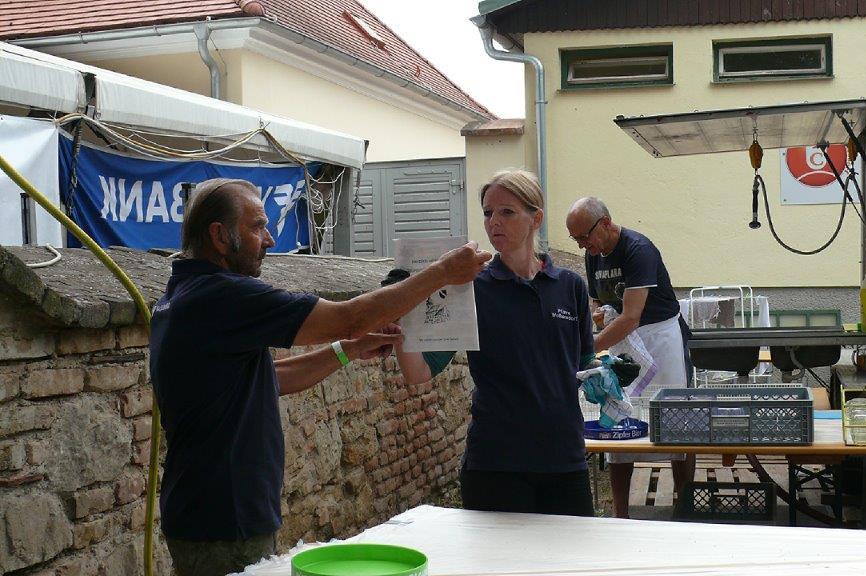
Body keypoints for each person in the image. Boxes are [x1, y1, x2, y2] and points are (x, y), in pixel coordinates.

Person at [149, 178, 490, 576]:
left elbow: (268, 379)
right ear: (220, 236)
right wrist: (443, 272)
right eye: (257, 226)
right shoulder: (220, 296)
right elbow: (350, 318)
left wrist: (348, 350)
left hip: (209, 514)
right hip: (224, 520)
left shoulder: (185, 295)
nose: (269, 239)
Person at [393, 169, 595, 517]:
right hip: (496, 465)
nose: (493, 222)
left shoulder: (570, 286)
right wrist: (400, 312)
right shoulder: (470, 289)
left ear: (536, 219)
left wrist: (608, 373)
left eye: (507, 212)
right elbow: (419, 372)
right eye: (488, 212)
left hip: (565, 460)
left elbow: (585, 365)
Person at [565, 196, 695, 519]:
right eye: (575, 239)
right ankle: (620, 514)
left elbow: (631, 316)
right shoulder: (593, 254)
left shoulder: (639, 250)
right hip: (623, 341)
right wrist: (599, 314)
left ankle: (684, 506)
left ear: (606, 223)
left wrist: (588, 348)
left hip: (660, 338)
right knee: (618, 420)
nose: (581, 245)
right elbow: (598, 302)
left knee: (676, 424)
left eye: (584, 236)